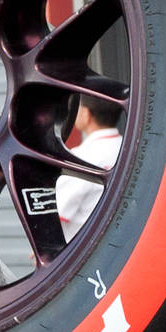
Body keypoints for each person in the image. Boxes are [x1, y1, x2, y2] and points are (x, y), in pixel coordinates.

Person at [55, 96, 121, 239]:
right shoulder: (129, 150)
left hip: (84, 250)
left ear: (86, 114)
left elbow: (59, 213)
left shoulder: (80, 157)